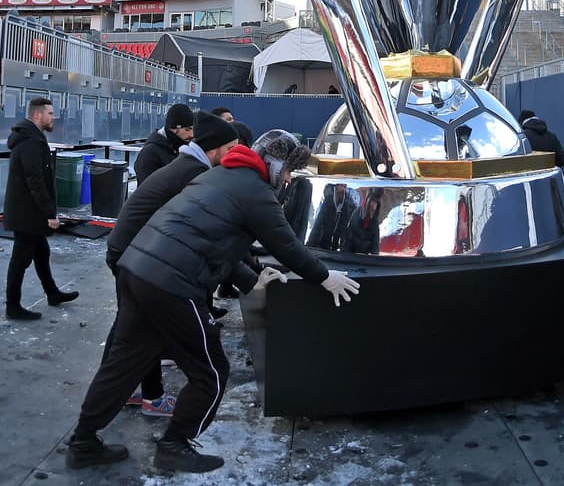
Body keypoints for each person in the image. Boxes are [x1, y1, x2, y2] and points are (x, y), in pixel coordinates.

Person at [66, 129, 359, 473]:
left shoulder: (220, 176)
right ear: (275, 164)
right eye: (289, 170)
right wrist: (324, 277)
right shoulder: (255, 190)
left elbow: (214, 243)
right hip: (172, 284)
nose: (290, 178)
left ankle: (83, 441)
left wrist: (252, 281)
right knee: (211, 372)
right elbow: (286, 244)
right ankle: (175, 444)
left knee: (123, 363)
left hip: (137, 270)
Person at [102, 108, 240, 418]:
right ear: (214, 149)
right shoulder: (193, 173)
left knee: (136, 326)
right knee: (135, 328)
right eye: (231, 150)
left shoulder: (188, 165)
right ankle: (130, 396)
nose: (234, 156)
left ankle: (137, 394)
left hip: (133, 249)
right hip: (132, 253)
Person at [2, 96, 79, 320]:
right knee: (20, 259)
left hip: (28, 210)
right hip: (27, 213)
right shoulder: (30, 142)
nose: (53, 117)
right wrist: (49, 214)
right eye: (50, 114)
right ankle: (12, 306)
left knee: (41, 253)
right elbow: (35, 180)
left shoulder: (33, 138)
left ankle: (52, 293)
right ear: (38, 115)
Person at [133, 103, 194, 186]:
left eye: (193, 129)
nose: (191, 134)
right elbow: (148, 190)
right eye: (187, 129)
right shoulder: (150, 153)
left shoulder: (181, 148)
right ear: (174, 129)